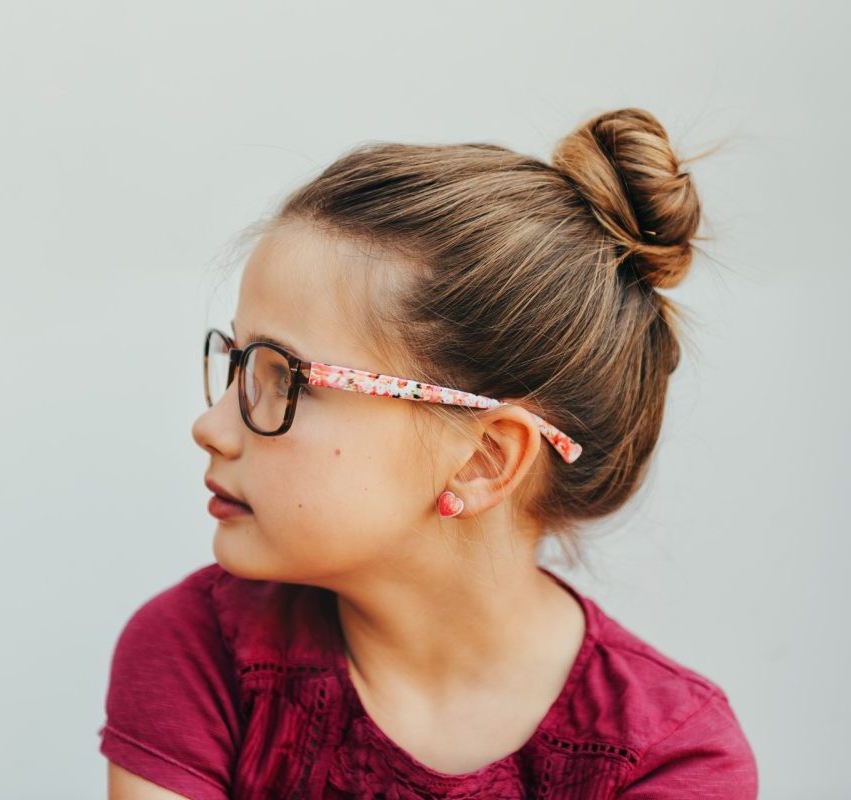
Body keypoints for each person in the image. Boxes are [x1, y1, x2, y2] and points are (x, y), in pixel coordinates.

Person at [98, 107, 759, 799]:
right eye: (236, 365)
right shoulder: (199, 651)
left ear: (484, 460)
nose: (210, 425)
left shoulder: (671, 756)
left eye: (283, 378)